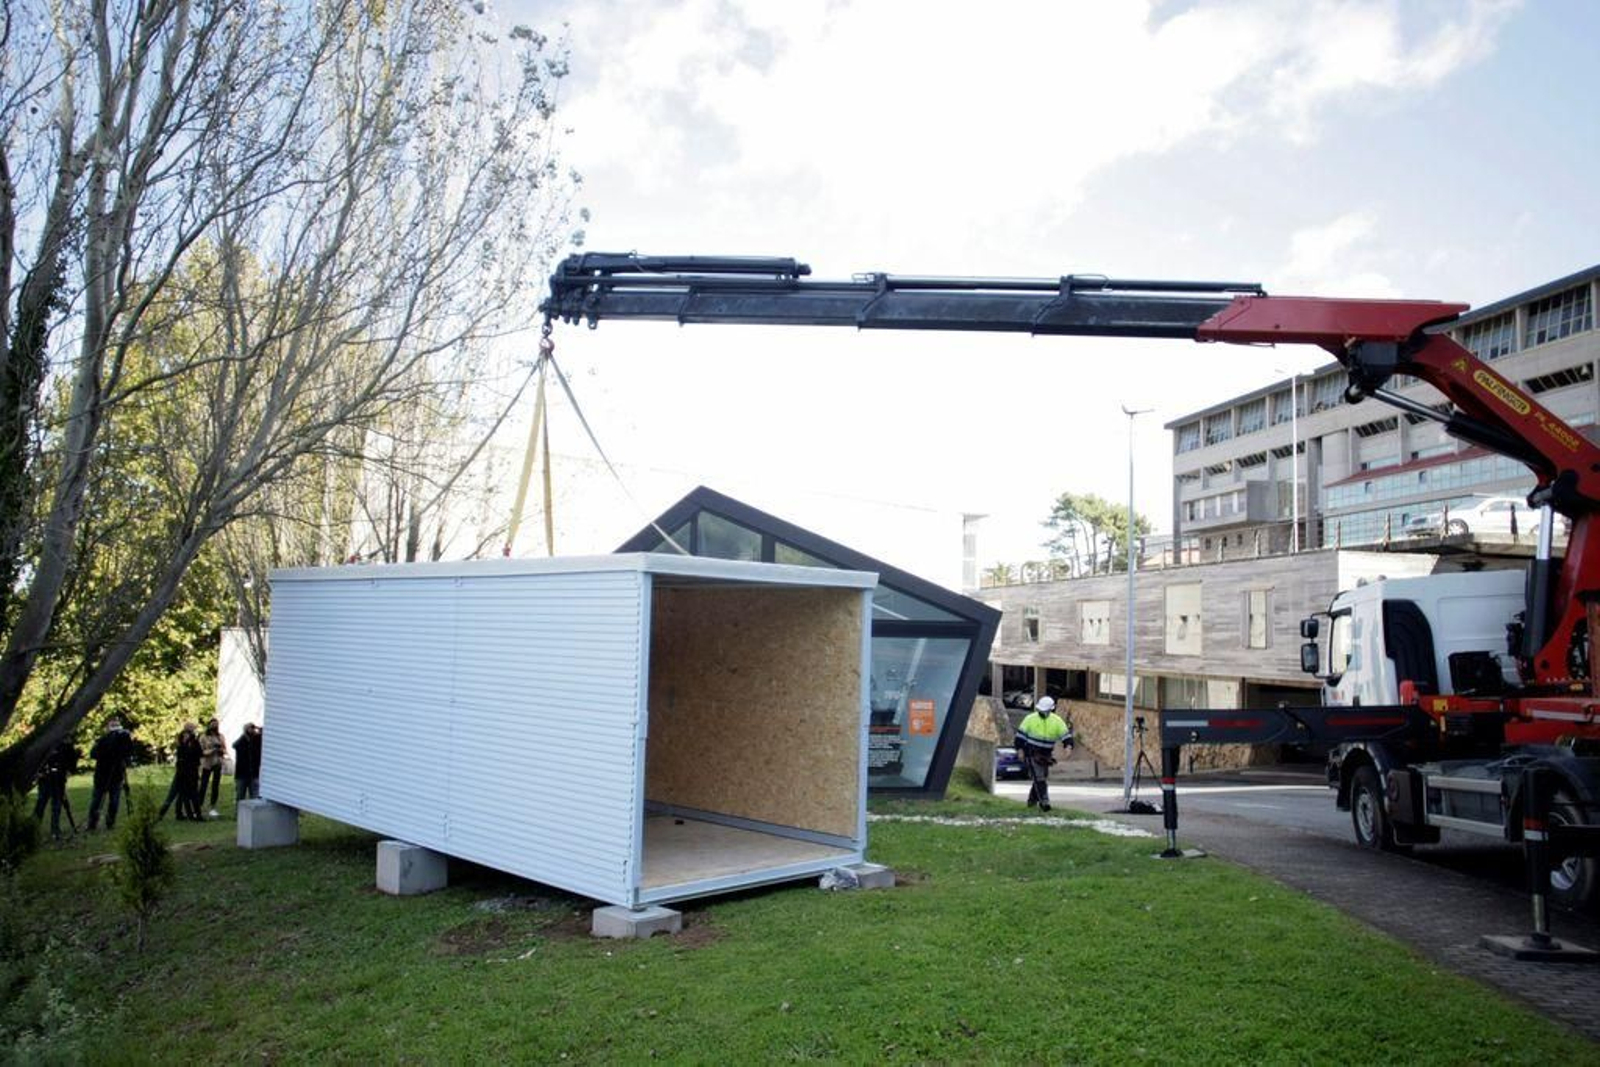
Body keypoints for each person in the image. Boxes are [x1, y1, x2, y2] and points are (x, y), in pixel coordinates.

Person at [1015, 695, 1073, 811]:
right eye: (1041, 710)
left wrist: (1068, 747)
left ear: (1051, 710)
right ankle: (1044, 802)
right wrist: (1020, 750)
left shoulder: (1057, 721)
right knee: (1039, 777)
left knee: (1040, 778)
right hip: (1031, 752)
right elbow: (1020, 737)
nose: (1043, 712)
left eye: (1045, 711)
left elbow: (1066, 736)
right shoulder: (1030, 719)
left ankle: (1031, 802)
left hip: (1046, 755)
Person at [86, 717, 134, 831]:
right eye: (113, 726)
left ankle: (110, 822)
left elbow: (128, 752)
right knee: (97, 800)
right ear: (107, 728)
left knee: (114, 801)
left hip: (116, 775)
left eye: (117, 726)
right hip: (102, 775)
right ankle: (92, 823)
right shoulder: (102, 740)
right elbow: (93, 754)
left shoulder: (122, 739)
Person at [32, 738, 78, 840]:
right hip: (46, 779)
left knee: (55, 805)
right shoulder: (46, 744)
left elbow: (72, 762)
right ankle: (33, 829)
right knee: (42, 804)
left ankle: (55, 830)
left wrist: (67, 772)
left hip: (58, 779)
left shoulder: (66, 746)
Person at [158, 723, 203, 821]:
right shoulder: (182, 742)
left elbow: (199, 754)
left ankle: (179, 813)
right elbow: (185, 755)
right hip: (183, 772)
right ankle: (161, 814)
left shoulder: (193, 742)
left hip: (189, 771)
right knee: (175, 794)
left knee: (182, 794)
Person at [197, 718, 229, 818]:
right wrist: (211, 750)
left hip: (217, 763)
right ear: (209, 725)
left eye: (216, 724)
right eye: (213, 724)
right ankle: (199, 806)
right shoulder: (203, 737)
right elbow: (201, 751)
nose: (215, 726)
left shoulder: (220, 736)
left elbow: (224, 749)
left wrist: (221, 750)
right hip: (207, 763)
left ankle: (213, 807)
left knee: (215, 786)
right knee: (203, 785)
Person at [233, 722, 262, 806]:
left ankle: (253, 815)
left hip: (254, 773)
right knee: (240, 795)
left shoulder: (257, 739)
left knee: (255, 795)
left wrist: (258, 729)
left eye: (253, 728)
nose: (252, 730)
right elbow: (234, 745)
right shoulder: (242, 740)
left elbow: (264, 734)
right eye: (250, 728)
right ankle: (238, 813)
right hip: (241, 774)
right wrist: (244, 734)